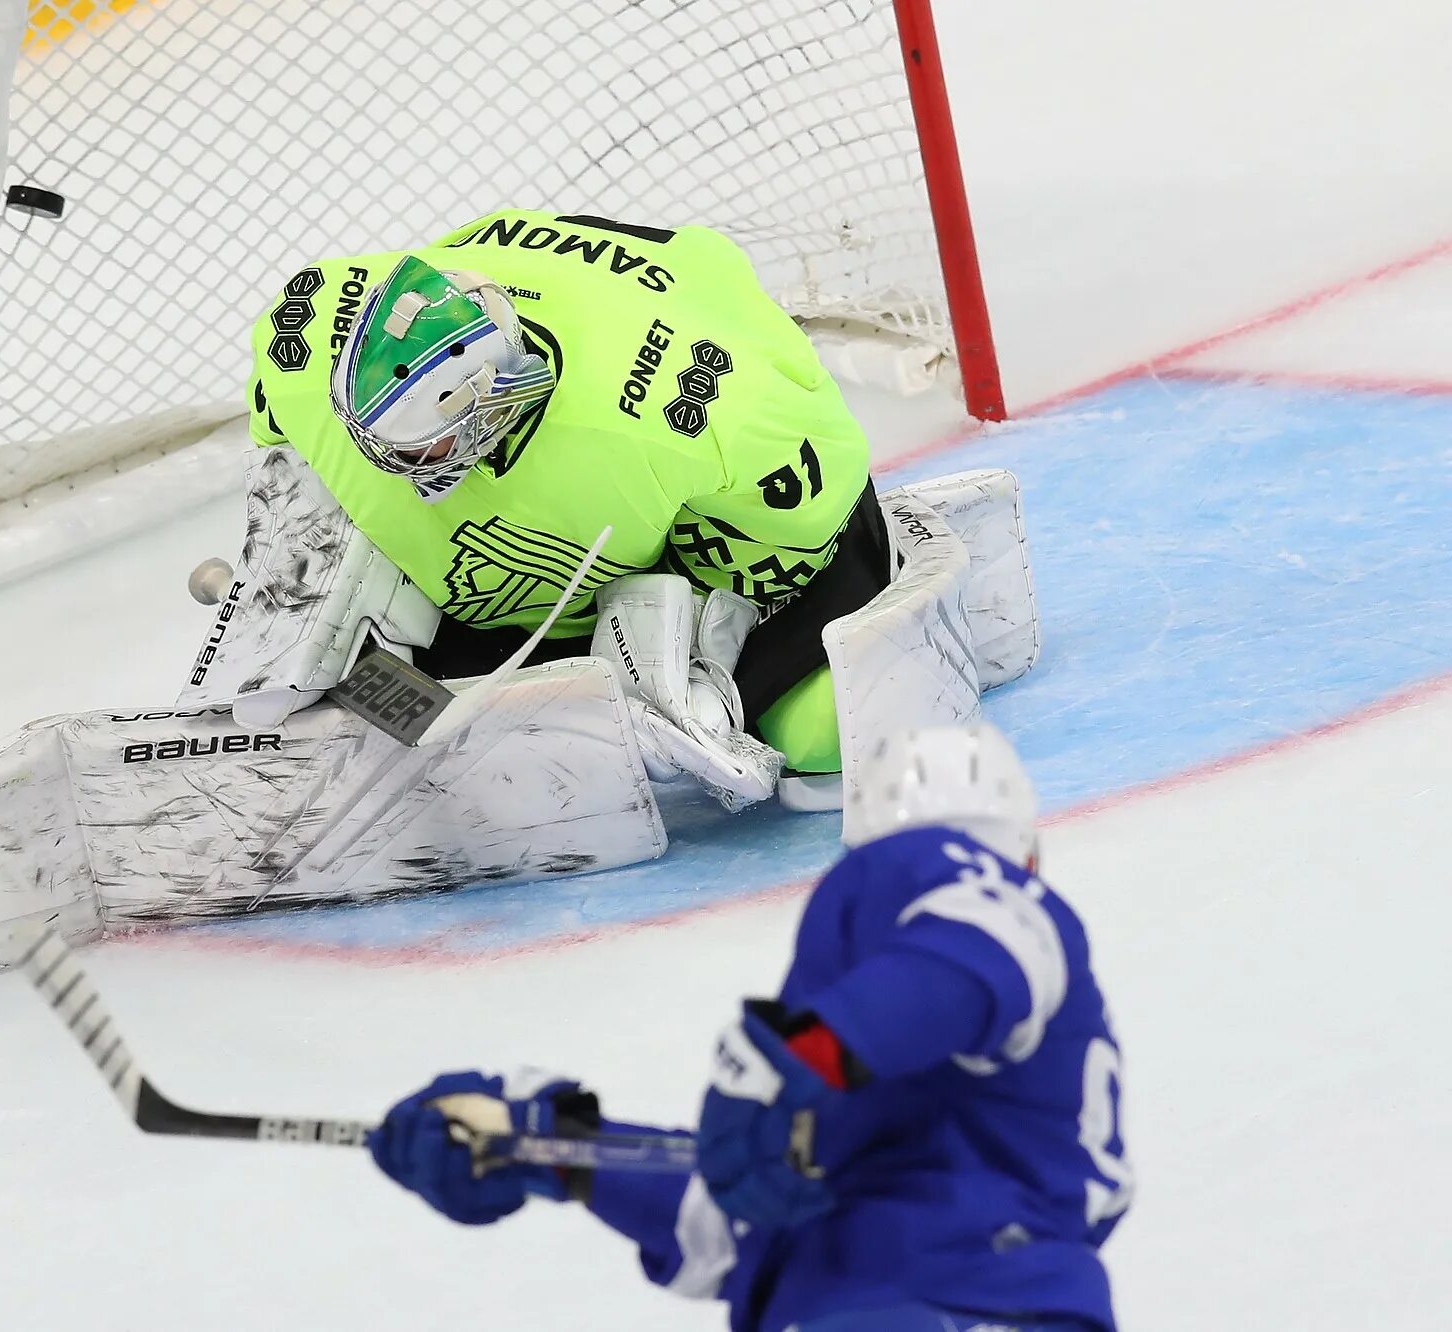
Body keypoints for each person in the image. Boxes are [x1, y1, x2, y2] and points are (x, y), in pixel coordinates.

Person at [368, 723, 1133, 1332]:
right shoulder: (885, 1084)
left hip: (967, 1302)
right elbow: (747, 1221)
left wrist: (808, 1057)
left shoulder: (995, 927)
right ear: (1029, 850)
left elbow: (962, 948)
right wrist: (546, 1143)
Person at [244, 207, 893, 802]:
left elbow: (807, 518)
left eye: (419, 450)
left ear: (491, 400)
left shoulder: (695, 414)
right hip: (551, 549)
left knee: (818, 741)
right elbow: (291, 464)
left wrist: (696, 650)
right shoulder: (303, 336)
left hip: (787, 505)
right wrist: (293, 584)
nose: (386, 468)